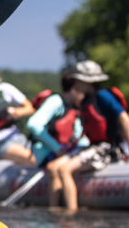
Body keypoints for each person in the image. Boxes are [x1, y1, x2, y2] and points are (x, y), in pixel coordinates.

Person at [52, 61, 129, 211]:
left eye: (78, 80)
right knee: (54, 167)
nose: (76, 83)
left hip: (106, 148)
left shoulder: (103, 96)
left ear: (87, 81)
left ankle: (71, 214)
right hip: (92, 146)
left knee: (65, 170)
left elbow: (125, 120)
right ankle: (54, 209)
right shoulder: (85, 99)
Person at [26, 67, 91, 207]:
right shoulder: (56, 101)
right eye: (83, 93)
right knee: (54, 168)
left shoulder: (75, 106)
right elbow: (33, 124)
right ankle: (56, 209)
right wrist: (57, 148)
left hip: (64, 150)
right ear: (74, 89)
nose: (86, 97)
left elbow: (80, 135)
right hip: (47, 152)